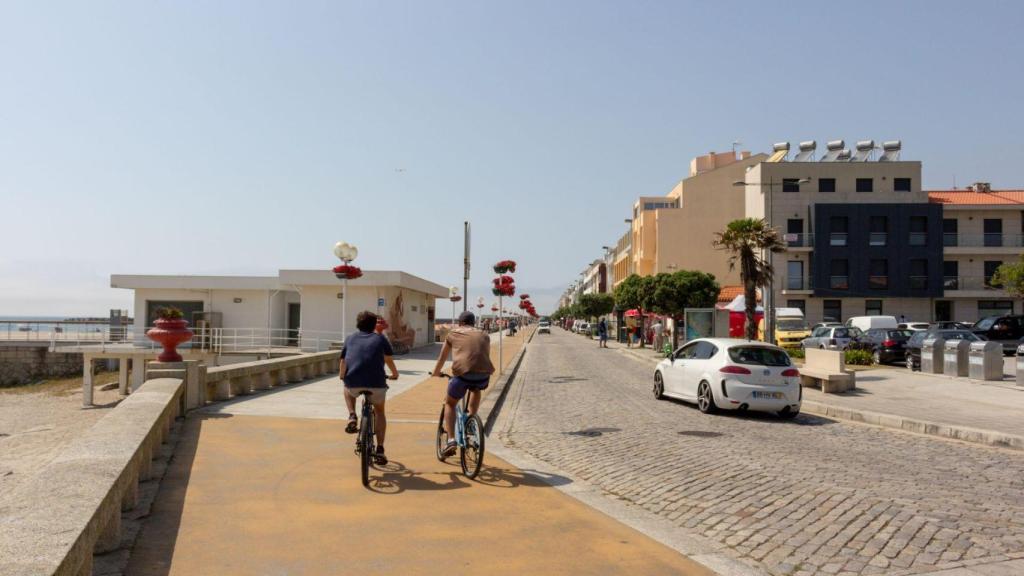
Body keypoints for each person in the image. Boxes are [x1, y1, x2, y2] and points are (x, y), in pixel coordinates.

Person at [431, 311, 495, 457]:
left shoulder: (453, 334)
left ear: (460, 323)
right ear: (473, 322)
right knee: (476, 388)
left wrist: (436, 372)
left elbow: (442, 357)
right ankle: (472, 419)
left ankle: (451, 440)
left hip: (463, 375)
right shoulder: (484, 334)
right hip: (484, 375)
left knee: (450, 403)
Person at [340, 311, 399, 465]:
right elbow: (388, 359)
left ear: (357, 324)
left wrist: (342, 376)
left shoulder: (350, 338)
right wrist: (395, 374)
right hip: (377, 384)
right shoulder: (380, 339)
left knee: (347, 388)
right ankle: (380, 449)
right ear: (374, 325)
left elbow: (343, 361)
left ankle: (352, 415)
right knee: (379, 412)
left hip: (354, 383)